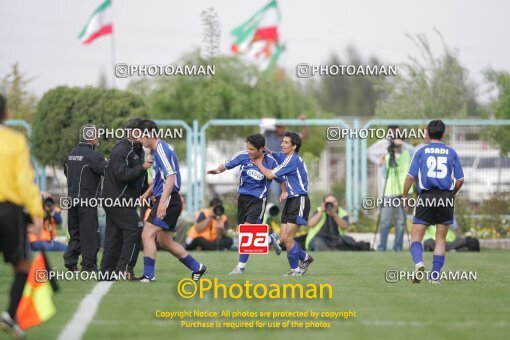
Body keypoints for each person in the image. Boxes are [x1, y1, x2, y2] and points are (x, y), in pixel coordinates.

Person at [137, 120, 207, 282]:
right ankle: (197, 267)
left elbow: (171, 177)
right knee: (164, 241)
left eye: (141, 136)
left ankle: (148, 275)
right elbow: (160, 179)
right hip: (169, 199)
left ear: (149, 134)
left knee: (147, 233)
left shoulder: (162, 149)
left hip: (168, 199)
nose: (140, 140)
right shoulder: (158, 150)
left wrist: (162, 202)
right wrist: (148, 194)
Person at [207, 134, 282, 275]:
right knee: (249, 233)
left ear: (261, 149)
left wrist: (283, 192)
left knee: (247, 232)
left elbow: (281, 178)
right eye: (247, 148)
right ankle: (271, 239)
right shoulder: (243, 155)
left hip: (258, 200)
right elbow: (227, 164)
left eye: (252, 149)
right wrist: (217, 170)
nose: (249, 151)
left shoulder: (270, 161)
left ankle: (240, 267)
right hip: (242, 199)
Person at [0, 94, 43, 338]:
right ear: (6, 114)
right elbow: (24, 181)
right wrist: (36, 213)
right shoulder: (15, 140)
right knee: (22, 266)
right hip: (8, 211)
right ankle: (9, 314)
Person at [403, 120, 464, 284]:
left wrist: (404, 196)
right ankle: (435, 276)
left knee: (416, 237)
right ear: (443, 134)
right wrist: (452, 194)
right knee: (441, 239)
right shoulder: (452, 152)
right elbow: (460, 179)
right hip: (445, 197)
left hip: (426, 197)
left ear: (428, 134)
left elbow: (410, 177)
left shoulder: (421, 151)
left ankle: (419, 263)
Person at [254, 132, 313, 276]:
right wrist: (260, 147)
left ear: (294, 146)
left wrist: (257, 163)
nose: (282, 144)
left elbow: (269, 175)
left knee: (288, 238)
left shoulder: (292, 160)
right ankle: (305, 258)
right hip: (291, 200)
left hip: (300, 200)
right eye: (282, 141)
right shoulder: (286, 157)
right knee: (283, 239)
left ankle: (295, 270)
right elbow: (272, 153)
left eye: (286, 142)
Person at [100, 118, 151, 279]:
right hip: (117, 199)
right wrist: (142, 167)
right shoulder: (122, 149)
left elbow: (140, 177)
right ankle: (124, 270)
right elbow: (122, 174)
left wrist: (148, 190)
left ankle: (107, 271)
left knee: (113, 235)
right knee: (134, 229)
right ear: (130, 131)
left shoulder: (139, 150)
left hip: (124, 200)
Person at [63, 124, 107, 272]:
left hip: (71, 199)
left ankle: (71, 261)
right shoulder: (94, 156)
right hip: (87, 201)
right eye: (97, 135)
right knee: (89, 234)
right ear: (90, 138)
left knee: (75, 232)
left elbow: (66, 172)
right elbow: (108, 172)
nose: (99, 137)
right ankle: (88, 266)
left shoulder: (71, 153)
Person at [368, 126, 415, 251]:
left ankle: (398, 247)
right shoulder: (388, 155)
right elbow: (384, 172)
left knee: (400, 222)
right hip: (389, 192)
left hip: (405, 192)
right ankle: (381, 246)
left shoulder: (408, 153)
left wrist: (403, 144)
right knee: (385, 221)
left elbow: (415, 152)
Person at [263, 115, 309, 205]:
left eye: (283, 127)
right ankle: (274, 214)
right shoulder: (269, 133)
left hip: (287, 169)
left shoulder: (289, 136)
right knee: (274, 192)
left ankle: (284, 214)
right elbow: (264, 121)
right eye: (279, 127)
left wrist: (305, 123)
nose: (281, 130)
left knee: (288, 193)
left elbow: (304, 135)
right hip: (274, 169)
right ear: (275, 128)